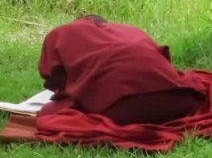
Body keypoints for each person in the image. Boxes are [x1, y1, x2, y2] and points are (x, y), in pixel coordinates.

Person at [38, 15, 205, 125]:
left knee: (48, 114)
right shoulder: (130, 30)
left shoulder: (62, 33)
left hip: (125, 109)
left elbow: (52, 77)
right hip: (181, 102)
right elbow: (163, 61)